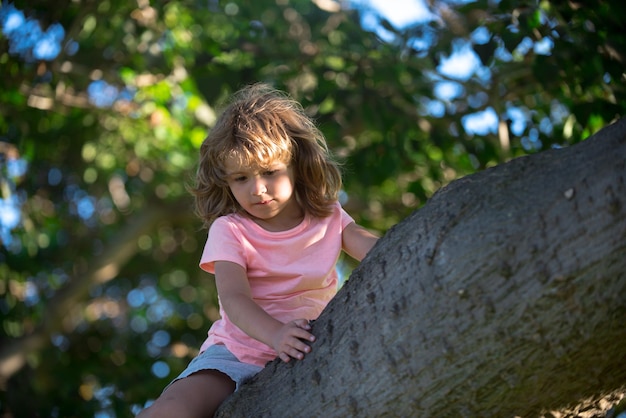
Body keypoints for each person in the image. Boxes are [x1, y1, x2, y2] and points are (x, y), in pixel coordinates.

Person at [138, 83, 379, 418]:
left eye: (269, 172)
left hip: (313, 347)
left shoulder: (328, 216)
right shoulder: (231, 230)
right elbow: (235, 300)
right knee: (176, 408)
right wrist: (276, 334)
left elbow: (377, 251)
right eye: (240, 178)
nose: (257, 190)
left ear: (296, 164)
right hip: (239, 351)